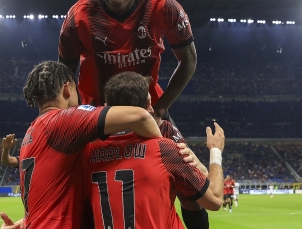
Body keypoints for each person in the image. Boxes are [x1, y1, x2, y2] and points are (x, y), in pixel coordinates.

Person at [58, 0, 197, 125]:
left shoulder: (164, 7)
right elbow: (65, 76)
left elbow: (189, 59)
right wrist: (70, 115)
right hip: (96, 113)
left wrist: (160, 109)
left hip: (148, 109)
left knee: (180, 154)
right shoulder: (77, 17)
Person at [14, 61, 162, 229]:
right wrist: (161, 149)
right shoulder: (64, 120)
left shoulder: (32, 132)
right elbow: (140, 116)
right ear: (67, 88)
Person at [87, 72, 222, 228]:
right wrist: (215, 150)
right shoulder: (165, 149)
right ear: (149, 104)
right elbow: (215, 200)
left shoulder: (87, 153)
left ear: (105, 107)